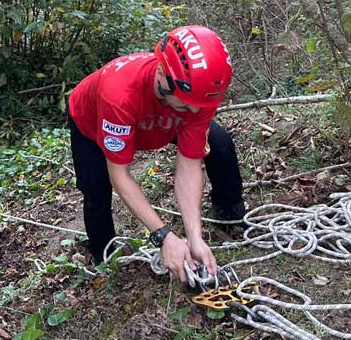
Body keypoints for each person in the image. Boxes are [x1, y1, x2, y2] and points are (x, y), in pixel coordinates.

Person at [67, 25, 246, 283]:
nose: (195, 112)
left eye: (200, 106)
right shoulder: (118, 95)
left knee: (219, 142)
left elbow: (189, 164)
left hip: (158, 120)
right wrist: (164, 236)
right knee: (96, 186)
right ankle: (104, 256)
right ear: (163, 77)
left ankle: (229, 212)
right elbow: (120, 175)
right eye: (186, 104)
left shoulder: (198, 93)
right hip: (93, 122)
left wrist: (194, 236)